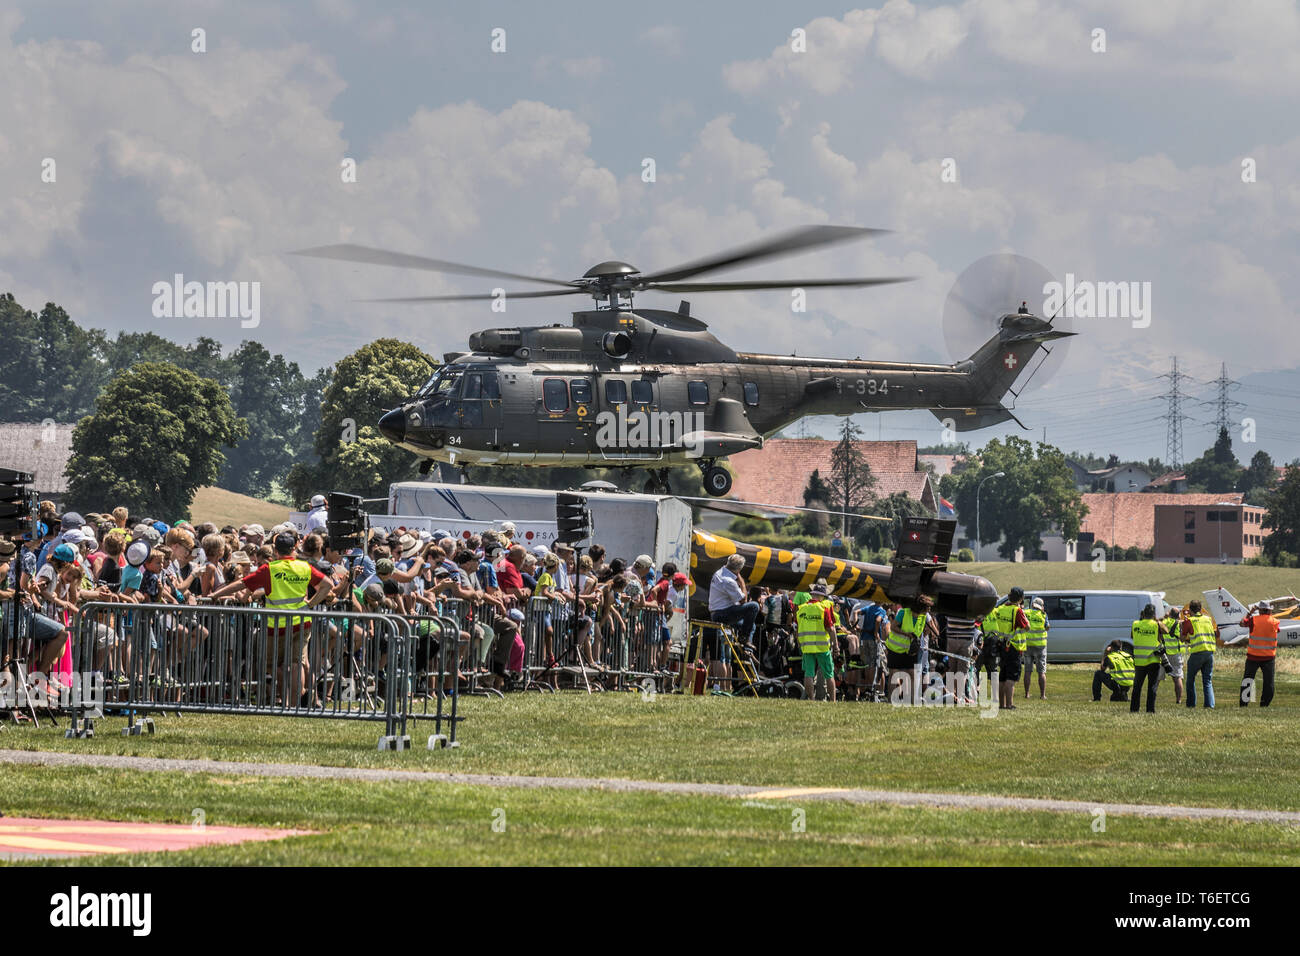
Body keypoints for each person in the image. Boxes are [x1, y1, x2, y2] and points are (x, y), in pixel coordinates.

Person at [983, 587, 1029, 710]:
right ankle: (1009, 704)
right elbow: (1027, 626)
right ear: (1021, 598)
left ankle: (1001, 704)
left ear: (1008, 596)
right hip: (1014, 646)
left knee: (1002, 676)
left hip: (1001, 646)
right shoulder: (1017, 611)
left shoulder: (1000, 609)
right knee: (1011, 677)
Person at [885, 594, 932, 700]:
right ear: (921, 608)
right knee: (894, 674)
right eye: (927, 607)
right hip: (895, 648)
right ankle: (891, 699)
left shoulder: (923, 617)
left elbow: (921, 631)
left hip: (910, 650)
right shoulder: (903, 612)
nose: (929, 610)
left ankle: (911, 700)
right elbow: (893, 627)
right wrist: (907, 634)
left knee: (912, 674)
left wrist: (921, 637)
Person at [794, 588, 836, 701]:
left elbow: (797, 629)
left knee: (809, 674)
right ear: (821, 596)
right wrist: (835, 645)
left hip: (807, 647)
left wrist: (799, 643)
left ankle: (811, 700)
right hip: (822, 647)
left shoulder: (801, 609)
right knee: (829, 674)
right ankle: (833, 701)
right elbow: (831, 629)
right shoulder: (823, 609)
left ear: (812, 595)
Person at [708, 554, 760, 646]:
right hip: (722, 614)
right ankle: (743, 637)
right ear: (739, 570)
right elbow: (744, 600)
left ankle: (747, 650)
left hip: (717, 612)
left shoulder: (718, 573)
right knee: (754, 606)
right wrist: (742, 582)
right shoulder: (729, 581)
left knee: (752, 626)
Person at [1239, 601, 1279, 708]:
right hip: (1269, 657)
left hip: (1253, 656)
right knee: (1268, 682)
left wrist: (1250, 613)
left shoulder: (1254, 620)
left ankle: (1244, 704)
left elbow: (1242, 623)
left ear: (1260, 610)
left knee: (1248, 680)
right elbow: (1277, 630)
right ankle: (1264, 705)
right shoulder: (1275, 621)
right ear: (1270, 610)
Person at [1182, 599, 1217, 709]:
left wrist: (1182, 627)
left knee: (1190, 679)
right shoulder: (1208, 619)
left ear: (1190, 610)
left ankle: (1191, 704)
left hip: (1197, 653)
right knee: (1207, 681)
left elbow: (1182, 638)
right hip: (1209, 652)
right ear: (1201, 609)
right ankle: (1209, 705)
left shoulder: (1189, 621)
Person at [1129, 603, 1163, 714]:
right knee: (1152, 686)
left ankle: (1134, 709)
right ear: (1153, 614)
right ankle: (1150, 710)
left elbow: (1132, 636)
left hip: (1139, 660)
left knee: (1137, 686)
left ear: (1143, 613)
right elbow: (1166, 631)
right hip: (1153, 660)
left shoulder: (1135, 624)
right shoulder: (1156, 624)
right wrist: (1157, 621)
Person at [1022, 596, 1050, 700]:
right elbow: (1047, 627)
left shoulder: (1026, 613)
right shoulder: (1043, 615)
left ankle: (1027, 694)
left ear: (1033, 605)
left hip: (1028, 645)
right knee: (1041, 672)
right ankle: (1042, 695)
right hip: (1040, 647)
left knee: (1028, 671)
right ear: (1041, 607)